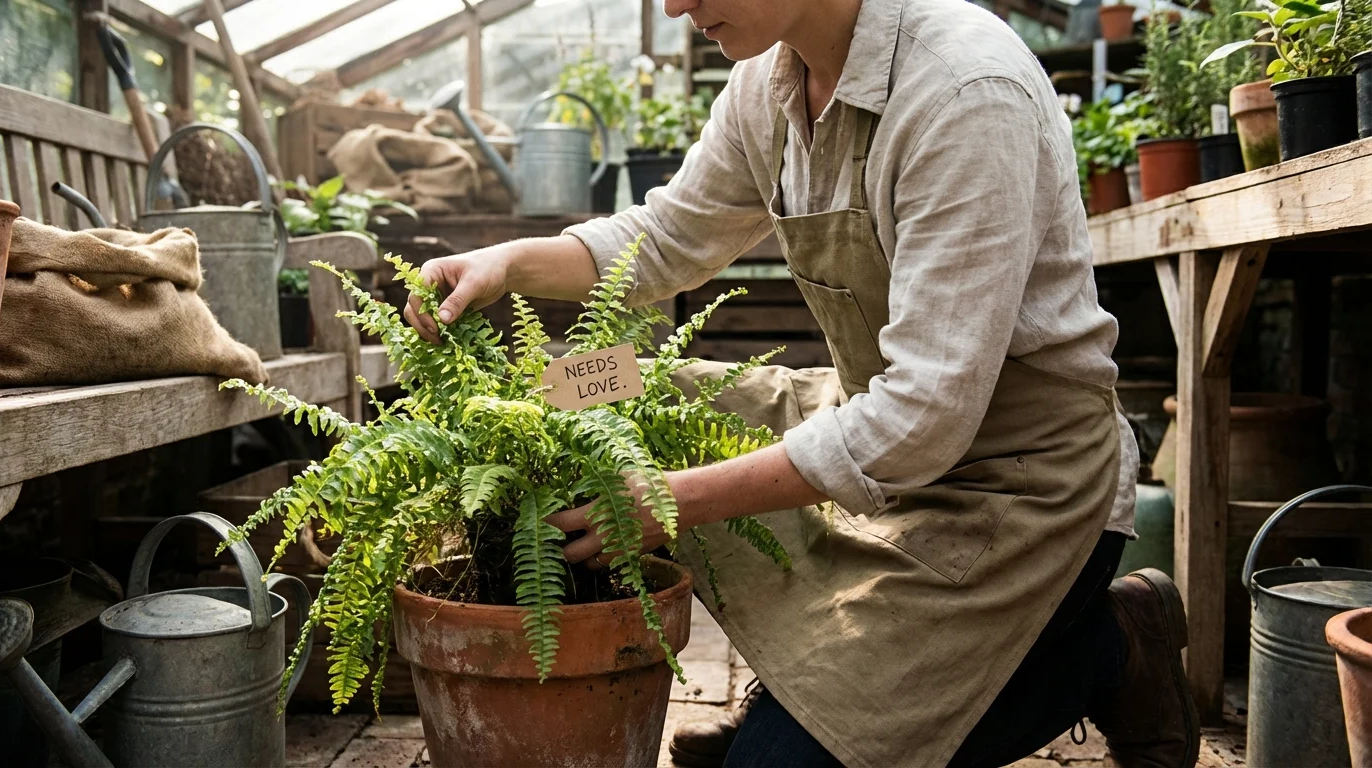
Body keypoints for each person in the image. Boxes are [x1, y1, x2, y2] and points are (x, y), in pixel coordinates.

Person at [404, 0, 1200, 765]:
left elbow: (925, 415)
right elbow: (665, 237)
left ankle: (1114, 648)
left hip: (1019, 488)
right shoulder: (772, 81)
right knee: (591, 389)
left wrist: (672, 499)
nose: (678, 6)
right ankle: (796, 683)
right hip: (866, 419)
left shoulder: (964, 91)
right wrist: (509, 263)